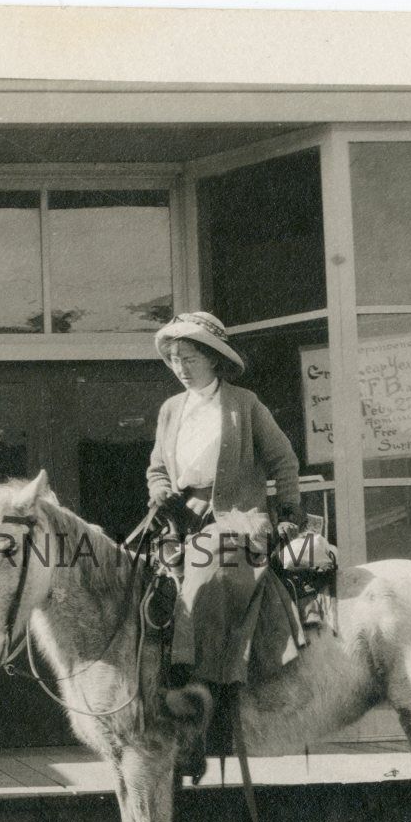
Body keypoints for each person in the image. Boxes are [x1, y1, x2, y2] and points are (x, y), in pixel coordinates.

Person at [144, 311, 305, 776]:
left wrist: (289, 513)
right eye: (174, 359)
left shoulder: (244, 405)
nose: (180, 367)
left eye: (190, 357)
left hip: (238, 519)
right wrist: (160, 489)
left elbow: (284, 461)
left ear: (215, 359)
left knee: (208, 574)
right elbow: (157, 467)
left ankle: (200, 707)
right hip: (180, 521)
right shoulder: (170, 410)